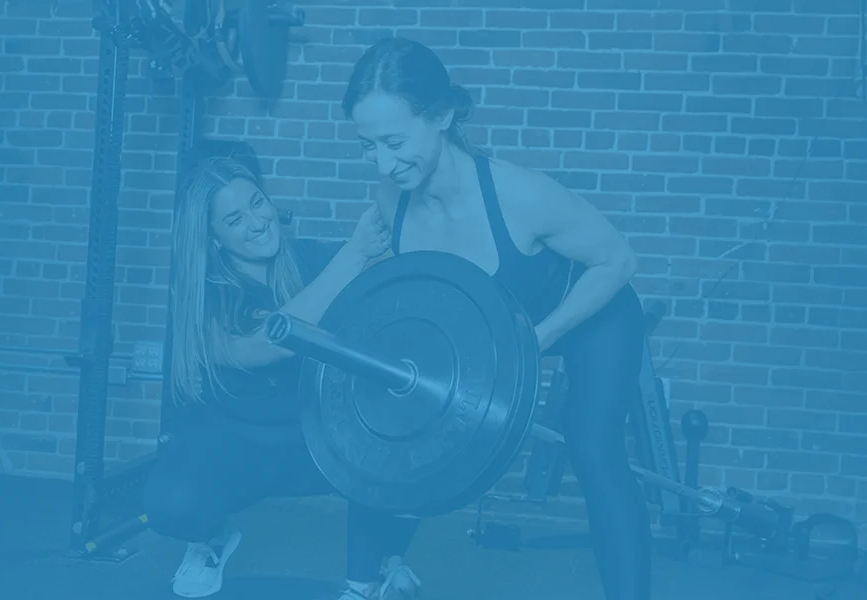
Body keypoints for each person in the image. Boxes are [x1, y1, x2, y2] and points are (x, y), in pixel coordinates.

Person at [343, 37, 654, 600]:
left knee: (593, 450)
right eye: (368, 147)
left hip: (593, 315)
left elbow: (618, 261)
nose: (385, 163)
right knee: (399, 419)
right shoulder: (394, 198)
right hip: (510, 329)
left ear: (440, 115)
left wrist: (536, 341)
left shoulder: (521, 194)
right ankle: (374, 576)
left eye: (393, 142)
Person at [141, 150, 426, 600]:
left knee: (400, 449)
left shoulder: (310, 261)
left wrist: (397, 155)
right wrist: (354, 253)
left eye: (257, 203)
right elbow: (265, 344)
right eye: (234, 219)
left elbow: (389, 223)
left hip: (308, 440)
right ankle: (210, 541)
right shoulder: (207, 295)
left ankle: (370, 577)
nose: (256, 222)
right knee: (171, 507)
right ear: (214, 237)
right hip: (230, 443)